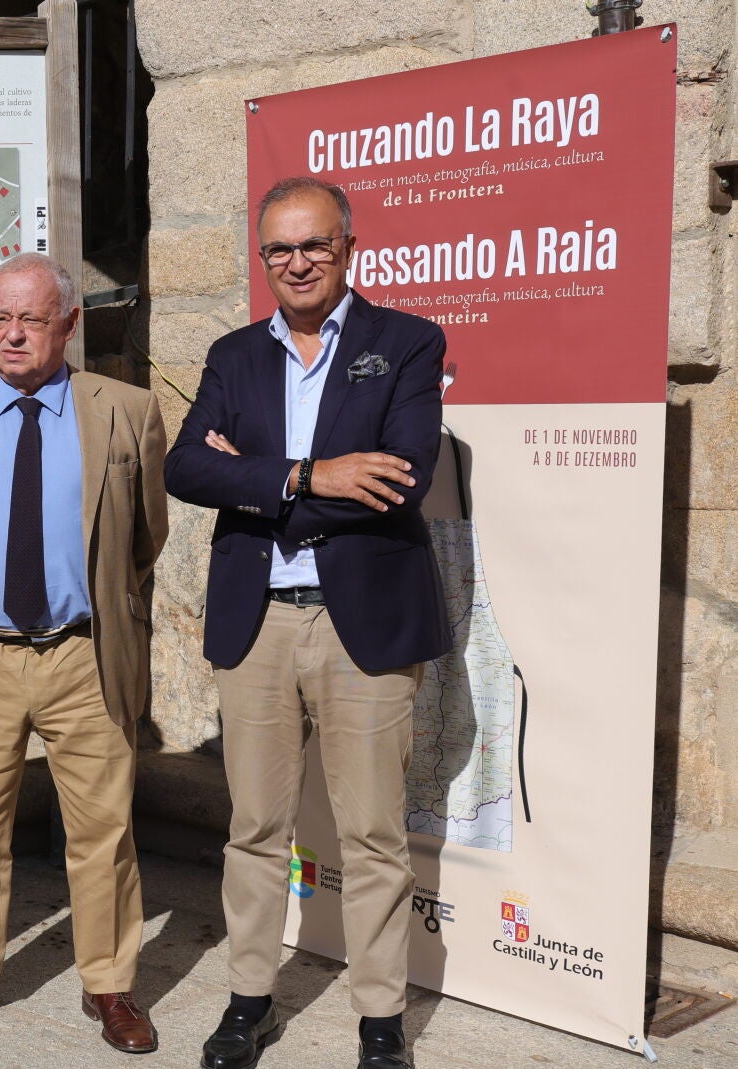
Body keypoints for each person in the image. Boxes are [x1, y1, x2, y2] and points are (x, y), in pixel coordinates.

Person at [163, 176, 450, 1069]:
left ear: (348, 247)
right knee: (255, 828)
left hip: (362, 624)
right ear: (263, 259)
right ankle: (249, 1000)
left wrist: (250, 477)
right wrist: (308, 475)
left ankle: (380, 1021)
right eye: (279, 249)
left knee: (373, 838)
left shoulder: (405, 341)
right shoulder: (233, 354)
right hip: (258, 624)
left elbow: (401, 476)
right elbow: (185, 468)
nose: (297, 263)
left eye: (314, 244)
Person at [0, 253, 168, 1053]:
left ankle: (110, 982)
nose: (13, 333)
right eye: (0, 318)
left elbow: (144, 537)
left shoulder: (126, 410)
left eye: (31, 318)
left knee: (103, 831)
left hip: (83, 656)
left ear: (69, 324)